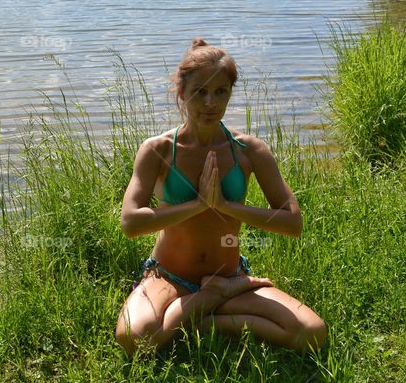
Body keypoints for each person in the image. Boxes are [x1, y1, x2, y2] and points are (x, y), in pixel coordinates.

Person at [114, 38, 327, 357]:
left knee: (313, 333)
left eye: (220, 92)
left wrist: (227, 206)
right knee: (134, 338)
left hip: (228, 274)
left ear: (230, 93)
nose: (210, 103)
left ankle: (205, 315)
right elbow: (131, 222)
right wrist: (197, 205)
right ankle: (207, 302)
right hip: (169, 277)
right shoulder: (157, 151)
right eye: (200, 91)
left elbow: (292, 222)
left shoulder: (249, 150)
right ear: (182, 92)